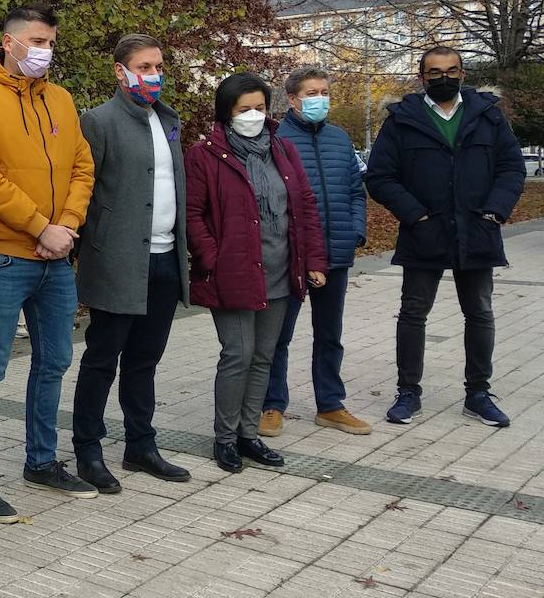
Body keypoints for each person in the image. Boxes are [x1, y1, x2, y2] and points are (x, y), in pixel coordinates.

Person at [0, 4, 96, 521]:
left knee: (55, 359)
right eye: (37, 41)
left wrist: (67, 227)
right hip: (1, 256)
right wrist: (41, 227)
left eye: (52, 43)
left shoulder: (60, 98)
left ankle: (41, 461)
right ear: (8, 42)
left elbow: (82, 164)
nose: (46, 52)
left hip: (56, 256)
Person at [366, 47, 525, 427]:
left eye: (451, 71)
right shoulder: (402, 120)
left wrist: (494, 212)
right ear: (421, 77)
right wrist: (415, 214)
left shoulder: (488, 116)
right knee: (413, 313)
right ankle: (408, 393)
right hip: (425, 233)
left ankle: (478, 393)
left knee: (480, 313)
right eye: (435, 72)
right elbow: (380, 176)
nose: (444, 78)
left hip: (477, 230)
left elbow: (511, 168)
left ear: (463, 73)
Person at [184, 73, 327, 474]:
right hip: (232, 271)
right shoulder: (205, 154)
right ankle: (225, 438)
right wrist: (212, 257)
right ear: (226, 112)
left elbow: (305, 206)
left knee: (263, 355)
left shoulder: (283, 149)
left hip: (281, 267)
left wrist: (314, 260)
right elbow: (193, 214)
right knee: (237, 355)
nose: (253, 115)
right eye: (243, 109)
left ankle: (250, 435)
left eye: (260, 108)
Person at [72, 35, 190, 494]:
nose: (154, 75)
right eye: (144, 66)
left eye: (158, 65)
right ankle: (88, 449)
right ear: (120, 72)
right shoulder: (97, 121)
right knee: (102, 359)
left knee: (145, 360)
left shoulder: (168, 120)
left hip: (164, 259)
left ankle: (141, 445)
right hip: (119, 262)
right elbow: (83, 190)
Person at [262, 66, 371, 437]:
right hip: (291, 256)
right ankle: (271, 404)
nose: (320, 99)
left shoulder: (341, 139)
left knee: (330, 334)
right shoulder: (273, 140)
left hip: (336, 252)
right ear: (292, 99)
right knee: (279, 335)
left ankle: (330, 404)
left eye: (324, 91)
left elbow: (357, 191)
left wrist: (356, 231)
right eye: (311, 93)